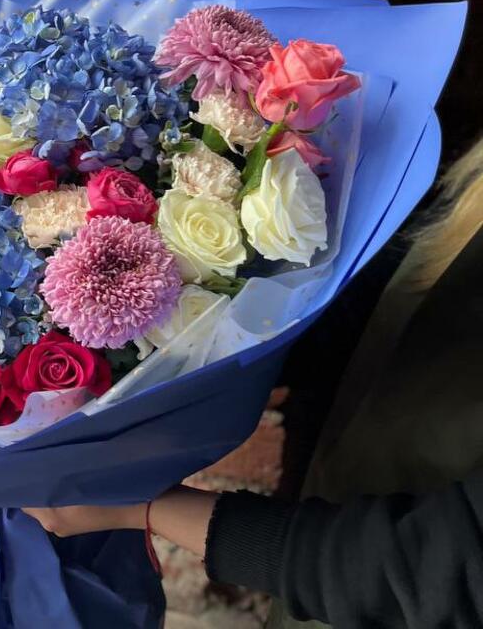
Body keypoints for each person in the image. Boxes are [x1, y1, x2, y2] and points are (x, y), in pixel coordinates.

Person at [24, 138, 483, 629]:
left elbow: (440, 568)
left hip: (362, 587)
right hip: (323, 556)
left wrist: (149, 506)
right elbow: (381, 332)